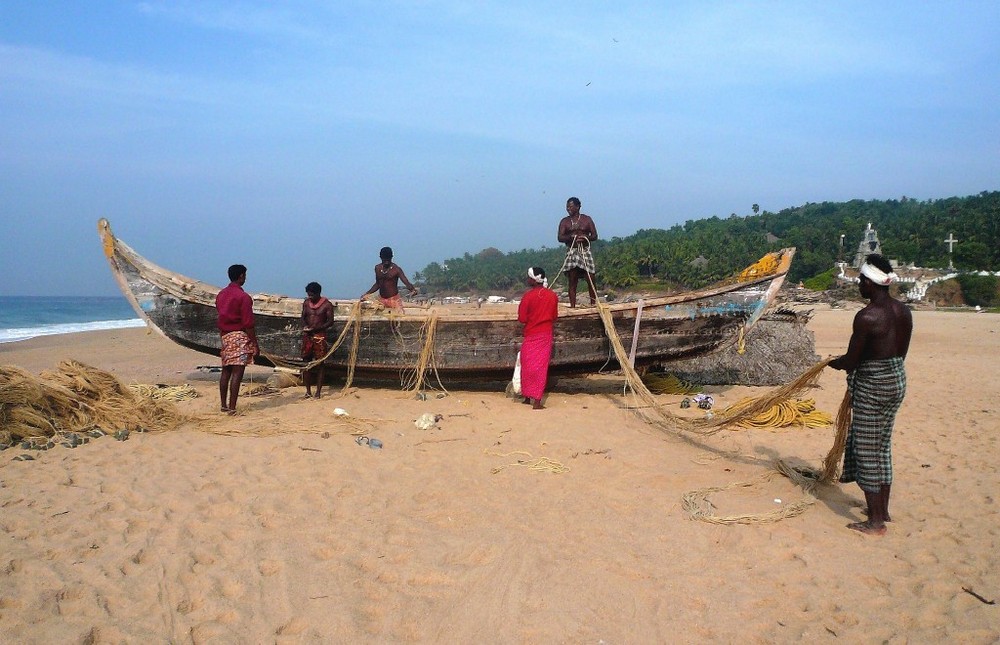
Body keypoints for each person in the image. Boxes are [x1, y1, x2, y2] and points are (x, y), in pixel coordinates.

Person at [829, 254, 913, 536]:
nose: (858, 285)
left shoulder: (866, 317)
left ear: (871, 283)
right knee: (882, 445)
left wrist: (835, 363)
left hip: (874, 386)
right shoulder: (903, 311)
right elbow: (901, 352)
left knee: (867, 449)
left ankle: (875, 521)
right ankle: (883, 510)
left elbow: (852, 361)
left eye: (861, 281)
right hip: (896, 379)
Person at [215, 264, 259, 414]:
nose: (245, 278)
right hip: (239, 335)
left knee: (226, 371)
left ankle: (223, 405)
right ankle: (232, 408)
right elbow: (248, 323)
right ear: (241, 276)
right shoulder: (243, 297)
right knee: (237, 372)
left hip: (225, 336)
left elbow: (220, 314)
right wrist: (254, 344)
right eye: (245, 275)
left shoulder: (221, 295)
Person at [517, 267, 559, 409]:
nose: (527, 280)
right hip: (545, 334)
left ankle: (528, 397)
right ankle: (536, 401)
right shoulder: (552, 296)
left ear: (534, 280)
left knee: (527, 366)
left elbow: (522, 318)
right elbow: (554, 316)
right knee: (540, 367)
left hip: (531, 334)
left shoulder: (527, 296)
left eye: (529, 277)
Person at [557, 197, 599, 307]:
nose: (568, 208)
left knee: (591, 278)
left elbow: (594, 235)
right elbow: (560, 237)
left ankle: (593, 305)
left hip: (584, 251)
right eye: (567, 206)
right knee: (572, 279)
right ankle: (572, 306)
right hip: (572, 252)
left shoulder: (587, 219)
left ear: (578, 206)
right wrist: (571, 237)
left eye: (570, 206)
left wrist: (586, 237)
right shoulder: (564, 221)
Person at [301, 281, 335, 399]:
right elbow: (303, 317)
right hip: (308, 336)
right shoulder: (306, 303)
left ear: (318, 293)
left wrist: (317, 328)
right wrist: (305, 326)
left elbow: (330, 322)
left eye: (312, 295)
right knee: (306, 363)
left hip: (320, 336)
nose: (310, 297)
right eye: (308, 295)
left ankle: (318, 392)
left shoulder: (327, 305)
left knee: (320, 364)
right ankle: (308, 391)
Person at [362, 246, 418, 311]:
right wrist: (367, 294)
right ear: (380, 258)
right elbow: (378, 284)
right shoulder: (377, 268)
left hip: (394, 300)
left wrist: (412, 289)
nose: (386, 262)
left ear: (391, 257)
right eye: (384, 260)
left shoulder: (396, 269)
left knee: (399, 318)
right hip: (381, 300)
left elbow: (406, 282)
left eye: (388, 259)